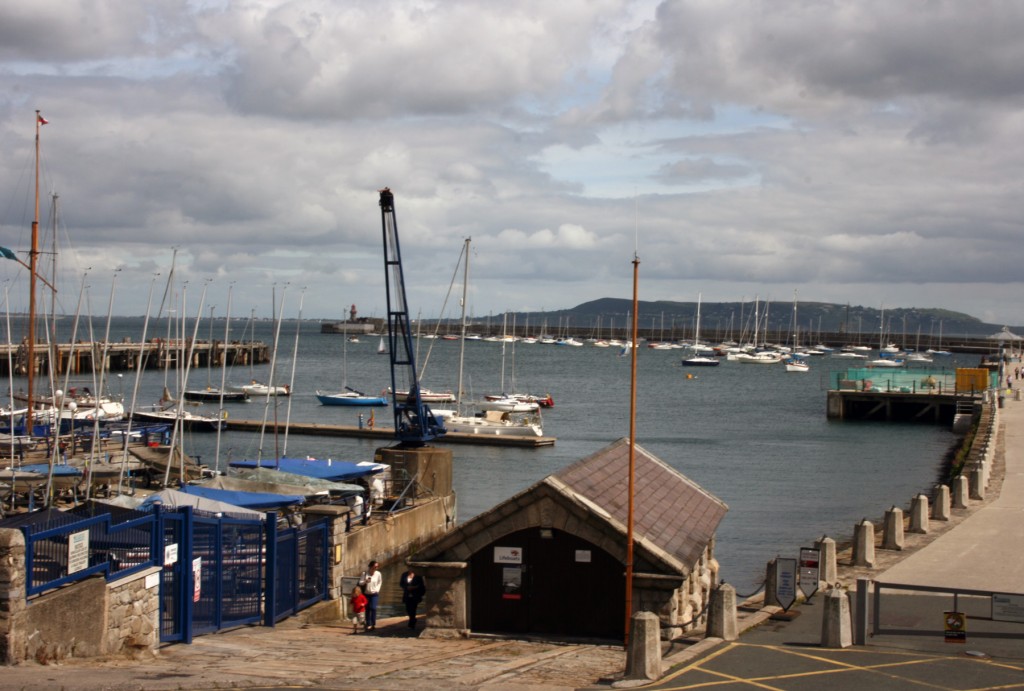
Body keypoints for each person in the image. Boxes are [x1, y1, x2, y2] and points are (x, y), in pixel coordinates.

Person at [358, 560, 382, 631]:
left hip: (374, 594)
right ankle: (368, 624)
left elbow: (379, 582)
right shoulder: (365, 574)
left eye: (377, 566)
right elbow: (360, 583)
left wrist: (377, 590)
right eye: (375, 566)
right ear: (371, 566)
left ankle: (373, 623)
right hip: (366, 594)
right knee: (367, 609)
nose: (376, 568)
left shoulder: (378, 574)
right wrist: (365, 581)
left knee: (373, 608)